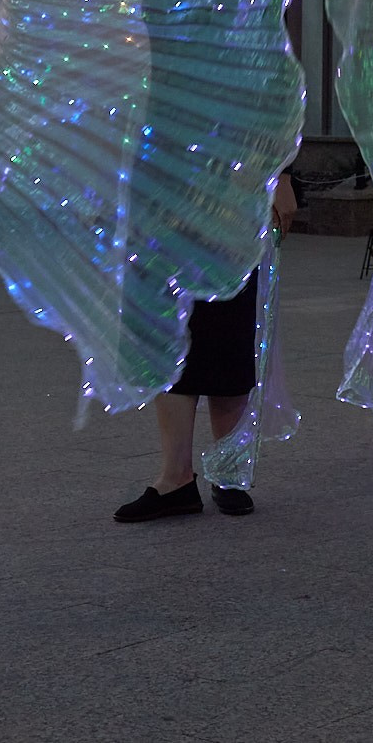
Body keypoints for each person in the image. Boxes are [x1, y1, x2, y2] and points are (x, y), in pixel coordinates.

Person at [114, 172, 297, 522]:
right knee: (168, 331)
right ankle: (176, 478)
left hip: (232, 189)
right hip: (162, 190)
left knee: (226, 325)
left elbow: (269, 116)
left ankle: (227, 473)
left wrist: (282, 178)